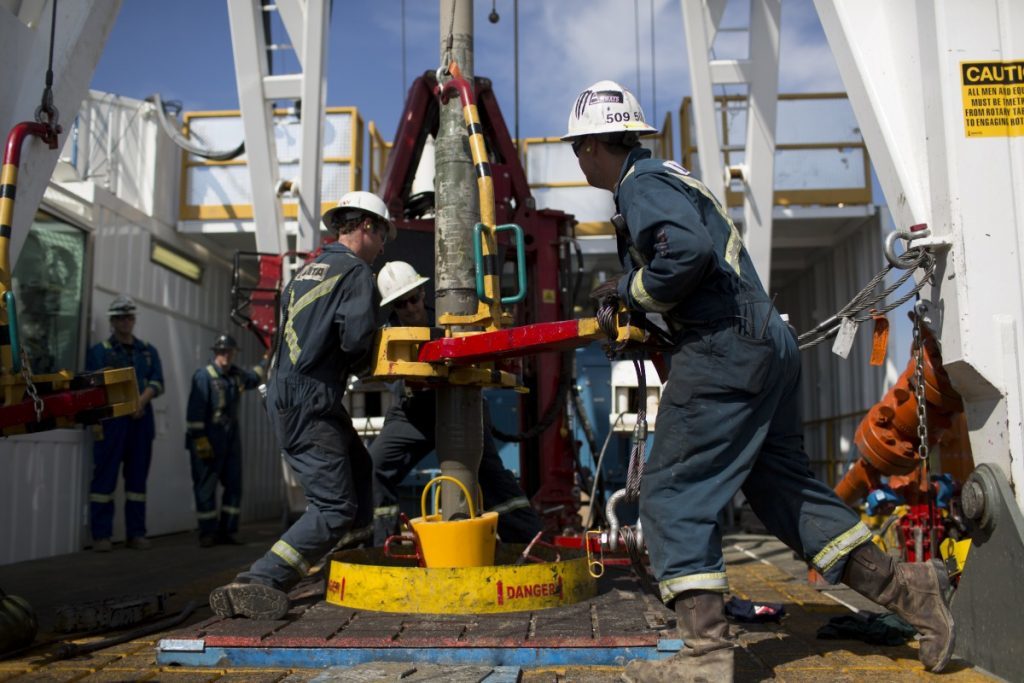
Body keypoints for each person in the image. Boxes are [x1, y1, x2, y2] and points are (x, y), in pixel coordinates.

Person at [562, 81, 955, 680]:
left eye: (577, 148)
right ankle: (916, 592)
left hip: (724, 349)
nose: (578, 160)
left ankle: (706, 658)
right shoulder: (672, 177)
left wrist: (627, 291)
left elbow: (685, 255)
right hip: (767, 343)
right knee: (784, 495)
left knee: (671, 495)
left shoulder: (638, 185)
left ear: (595, 146)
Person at [209, 190, 392, 620]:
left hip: (295, 391)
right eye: (384, 235)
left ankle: (342, 562)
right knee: (333, 507)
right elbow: (354, 337)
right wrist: (372, 362)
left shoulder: (308, 270)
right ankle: (260, 579)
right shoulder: (357, 274)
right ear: (367, 226)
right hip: (311, 396)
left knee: (360, 469)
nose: (384, 247)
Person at [370, 261, 543, 546]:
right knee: (374, 465)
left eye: (413, 299)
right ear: (393, 307)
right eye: (402, 304)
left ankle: (529, 542)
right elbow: (391, 377)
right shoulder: (387, 335)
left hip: (460, 404)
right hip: (412, 412)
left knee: (490, 474)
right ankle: (382, 547)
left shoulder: (446, 322)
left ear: (423, 294)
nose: (410, 308)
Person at [85, 294, 164, 552]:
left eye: (129, 317)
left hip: (141, 421)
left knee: (137, 481)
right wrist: (127, 406)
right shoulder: (100, 352)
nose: (125, 322)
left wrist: (139, 402)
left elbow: (157, 382)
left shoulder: (148, 351)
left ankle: (136, 534)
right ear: (112, 321)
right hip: (112, 422)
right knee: (104, 480)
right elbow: (94, 389)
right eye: (120, 317)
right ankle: (101, 536)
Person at [185, 334, 266, 547]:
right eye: (222, 352)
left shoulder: (236, 375)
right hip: (209, 440)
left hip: (230, 440)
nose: (226, 355)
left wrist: (267, 358)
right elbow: (194, 411)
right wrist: (200, 439)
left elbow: (254, 378)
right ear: (215, 353)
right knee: (206, 487)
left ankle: (228, 531)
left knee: (233, 485)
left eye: (230, 352)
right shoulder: (203, 376)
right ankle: (208, 533)